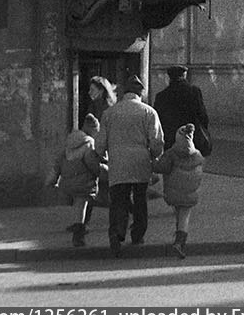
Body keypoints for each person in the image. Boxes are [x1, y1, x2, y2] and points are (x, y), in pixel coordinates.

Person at [98, 74, 164, 257]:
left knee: (118, 199)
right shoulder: (148, 112)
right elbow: (157, 141)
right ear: (140, 93)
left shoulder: (110, 113)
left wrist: (101, 156)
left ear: (125, 93)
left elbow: (100, 142)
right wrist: (154, 156)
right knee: (140, 199)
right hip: (141, 162)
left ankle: (116, 233)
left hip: (118, 163)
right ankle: (137, 234)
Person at [153, 123, 205, 259]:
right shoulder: (197, 155)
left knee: (178, 213)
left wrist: (153, 162)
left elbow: (161, 167)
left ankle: (178, 239)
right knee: (184, 216)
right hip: (190, 193)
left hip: (174, 192)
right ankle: (180, 241)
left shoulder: (171, 154)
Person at [53, 113, 105, 247]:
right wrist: (100, 171)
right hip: (83, 181)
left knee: (79, 206)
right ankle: (79, 234)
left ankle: (81, 226)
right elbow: (91, 163)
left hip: (68, 180)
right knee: (81, 206)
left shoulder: (69, 141)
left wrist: (53, 179)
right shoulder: (89, 142)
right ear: (92, 129)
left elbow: (58, 161)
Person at [152, 65, 211, 157]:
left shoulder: (161, 96)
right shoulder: (194, 92)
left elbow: (157, 121)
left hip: (171, 140)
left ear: (169, 77)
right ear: (184, 75)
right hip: (192, 138)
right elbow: (203, 115)